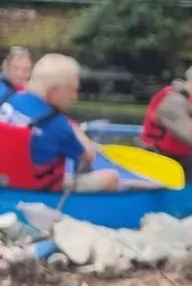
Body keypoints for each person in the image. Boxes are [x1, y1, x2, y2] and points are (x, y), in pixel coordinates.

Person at [0, 53, 119, 193]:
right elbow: (88, 156)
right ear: (56, 90)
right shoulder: (58, 125)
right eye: (72, 90)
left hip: (6, 185)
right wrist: (72, 125)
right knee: (112, 178)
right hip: (39, 193)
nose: (74, 98)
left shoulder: (9, 100)